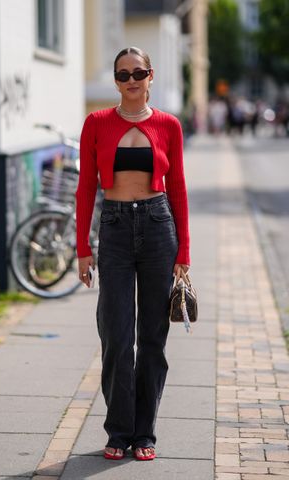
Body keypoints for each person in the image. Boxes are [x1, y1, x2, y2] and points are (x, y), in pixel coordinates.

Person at [76, 46, 190, 461]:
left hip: (160, 229)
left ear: (151, 76)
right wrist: (83, 249)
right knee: (116, 336)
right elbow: (87, 186)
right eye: (123, 75)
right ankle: (118, 431)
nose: (131, 81)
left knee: (152, 340)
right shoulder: (97, 123)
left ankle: (145, 434)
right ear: (115, 80)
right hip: (116, 230)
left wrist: (185, 254)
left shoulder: (168, 125)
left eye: (138, 73)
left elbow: (177, 188)